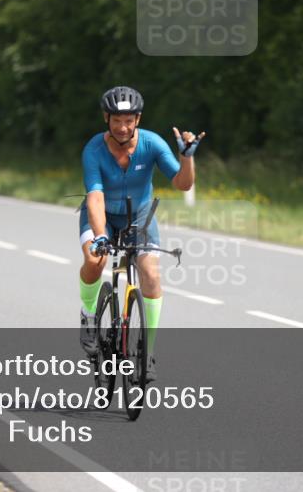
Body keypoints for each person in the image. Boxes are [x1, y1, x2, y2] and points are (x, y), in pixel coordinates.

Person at [78, 86, 205, 382]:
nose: (123, 127)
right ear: (106, 118)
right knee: (95, 261)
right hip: (102, 215)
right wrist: (100, 236)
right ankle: (88, 314)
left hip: (140, 215)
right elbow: (95, 197)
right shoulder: (93, 150)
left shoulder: (152, 143)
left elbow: (183, 184)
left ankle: (147, 353)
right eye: (116, 120)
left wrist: (186, 158)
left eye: (129, 120)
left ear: (137, 118)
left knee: (151, 273)